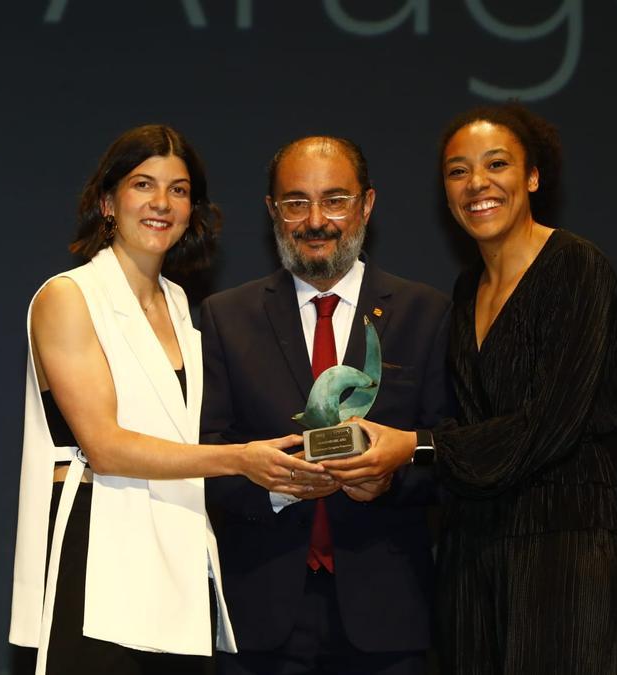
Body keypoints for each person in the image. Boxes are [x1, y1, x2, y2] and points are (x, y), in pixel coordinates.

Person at [323, 104, 617, 674]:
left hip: (563, 548)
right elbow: (464, 423)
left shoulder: (578, 268)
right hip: (471, 555)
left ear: (533, 177)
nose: (477, 184)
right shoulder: (466, 290)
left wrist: (417, 447)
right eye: (457, 171)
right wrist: (385, 468)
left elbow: (550, 423)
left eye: (497, 164)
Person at [8, 124, 322, 675]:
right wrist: (241, 460)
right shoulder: (68, 296)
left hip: (178, 558)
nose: (161, 203)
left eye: (178, 190)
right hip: (100, 550)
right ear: (107, 201)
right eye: (142, 185)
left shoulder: (180, 304)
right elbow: (105, 447)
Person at [199, 135, 453, 675]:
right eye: (296, 202)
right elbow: (204, 455)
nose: (316, 220)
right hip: (262, 617)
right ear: (272, 211)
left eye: (335, 200)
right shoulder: (226, 317)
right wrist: (267, 485)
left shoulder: (424, 313)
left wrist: (391, 477)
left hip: (388, 618)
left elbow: (454, 455)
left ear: (367, 205)